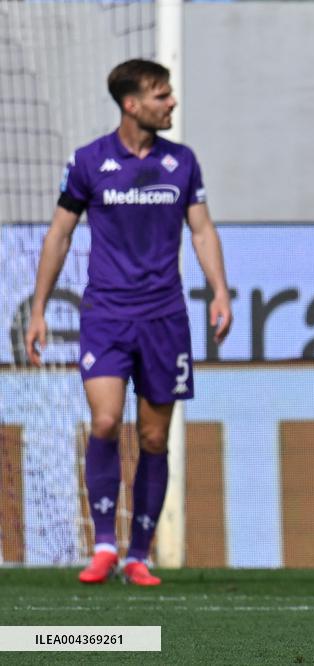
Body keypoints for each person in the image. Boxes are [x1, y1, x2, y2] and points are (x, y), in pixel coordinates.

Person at [25, 59, 232, 586]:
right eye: (162, 95)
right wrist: (39, 309)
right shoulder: (89, 161)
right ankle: (103, 545)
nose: (172, 102)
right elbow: (59, 234)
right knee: (104, 422)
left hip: (164, 316)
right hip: (106, 314)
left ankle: (138, 554)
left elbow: (202, 230)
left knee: (154, 437)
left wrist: (219, 291)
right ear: (131, 104)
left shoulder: (182, 162)